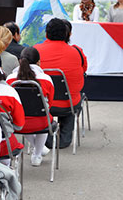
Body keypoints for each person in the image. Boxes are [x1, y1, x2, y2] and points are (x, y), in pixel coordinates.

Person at [34, 19, 85, 148]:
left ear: (46, 34)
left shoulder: (35, 51)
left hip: (41, 105)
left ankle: (45, 137)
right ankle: (64, 138)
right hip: (68, 104)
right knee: (73, 98)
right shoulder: (76, 52)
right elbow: (82, 75)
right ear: (66, 34)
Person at [6, 46, 54, 166]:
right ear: (38, 62)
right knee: (43, 114)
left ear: (19, 61)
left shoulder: (10, 79)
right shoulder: (46, 79)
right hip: (41, 122)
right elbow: (49, 105)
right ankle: (37, 154)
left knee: (22, 115)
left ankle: (38, 149)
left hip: (17, 123)